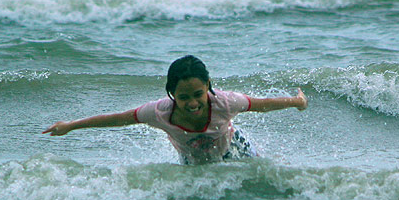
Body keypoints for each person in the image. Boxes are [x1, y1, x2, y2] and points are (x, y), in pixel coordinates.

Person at [43, 55, 308, 164]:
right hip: (192, 160)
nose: (192, 103)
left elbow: (261, 105)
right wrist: (71, 125)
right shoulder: (159, 112)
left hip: (234, 146)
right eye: (183, 97)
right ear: (171, 94)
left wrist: (297, 102)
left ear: (208, 86)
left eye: (198, 94)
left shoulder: (225, 102)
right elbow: (119, 118)